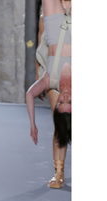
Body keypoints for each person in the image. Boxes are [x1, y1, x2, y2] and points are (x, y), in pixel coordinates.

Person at [25, 0, 71, 189]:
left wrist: (32, 124)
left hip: (54, 28)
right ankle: (58, 171)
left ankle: (58, 172)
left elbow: (29, 94)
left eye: (62, 102)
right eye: (69, 101)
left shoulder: (52, 82)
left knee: (60, 127)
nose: (65, 97)